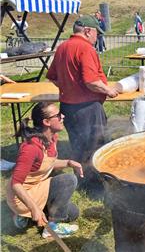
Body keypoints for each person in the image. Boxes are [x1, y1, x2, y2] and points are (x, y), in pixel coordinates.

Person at [46, 15, 119, 199]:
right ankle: (96, 189)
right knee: (95, 146)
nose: (97, 37)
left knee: (78, 146)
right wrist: (108, 90)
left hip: (68, 108)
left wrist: (68, 87)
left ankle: (81, 181)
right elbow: (91, 81)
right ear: (87, 31)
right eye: (96, 33)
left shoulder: (62, 47)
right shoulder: (85, 48)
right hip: (87, 109)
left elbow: (52, 76)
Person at [6, 102, 83, 238]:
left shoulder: (52, 137)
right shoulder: (30, 148)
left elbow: (47, 163)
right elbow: (16, 184)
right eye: (58, 115)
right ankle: (51, 228)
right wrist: (34, 208)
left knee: (73, 213)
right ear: (47, 122)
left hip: (37, 187)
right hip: (21, 196)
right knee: (68, 180)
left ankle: (25, 218)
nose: (63, 116)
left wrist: (69, 163)